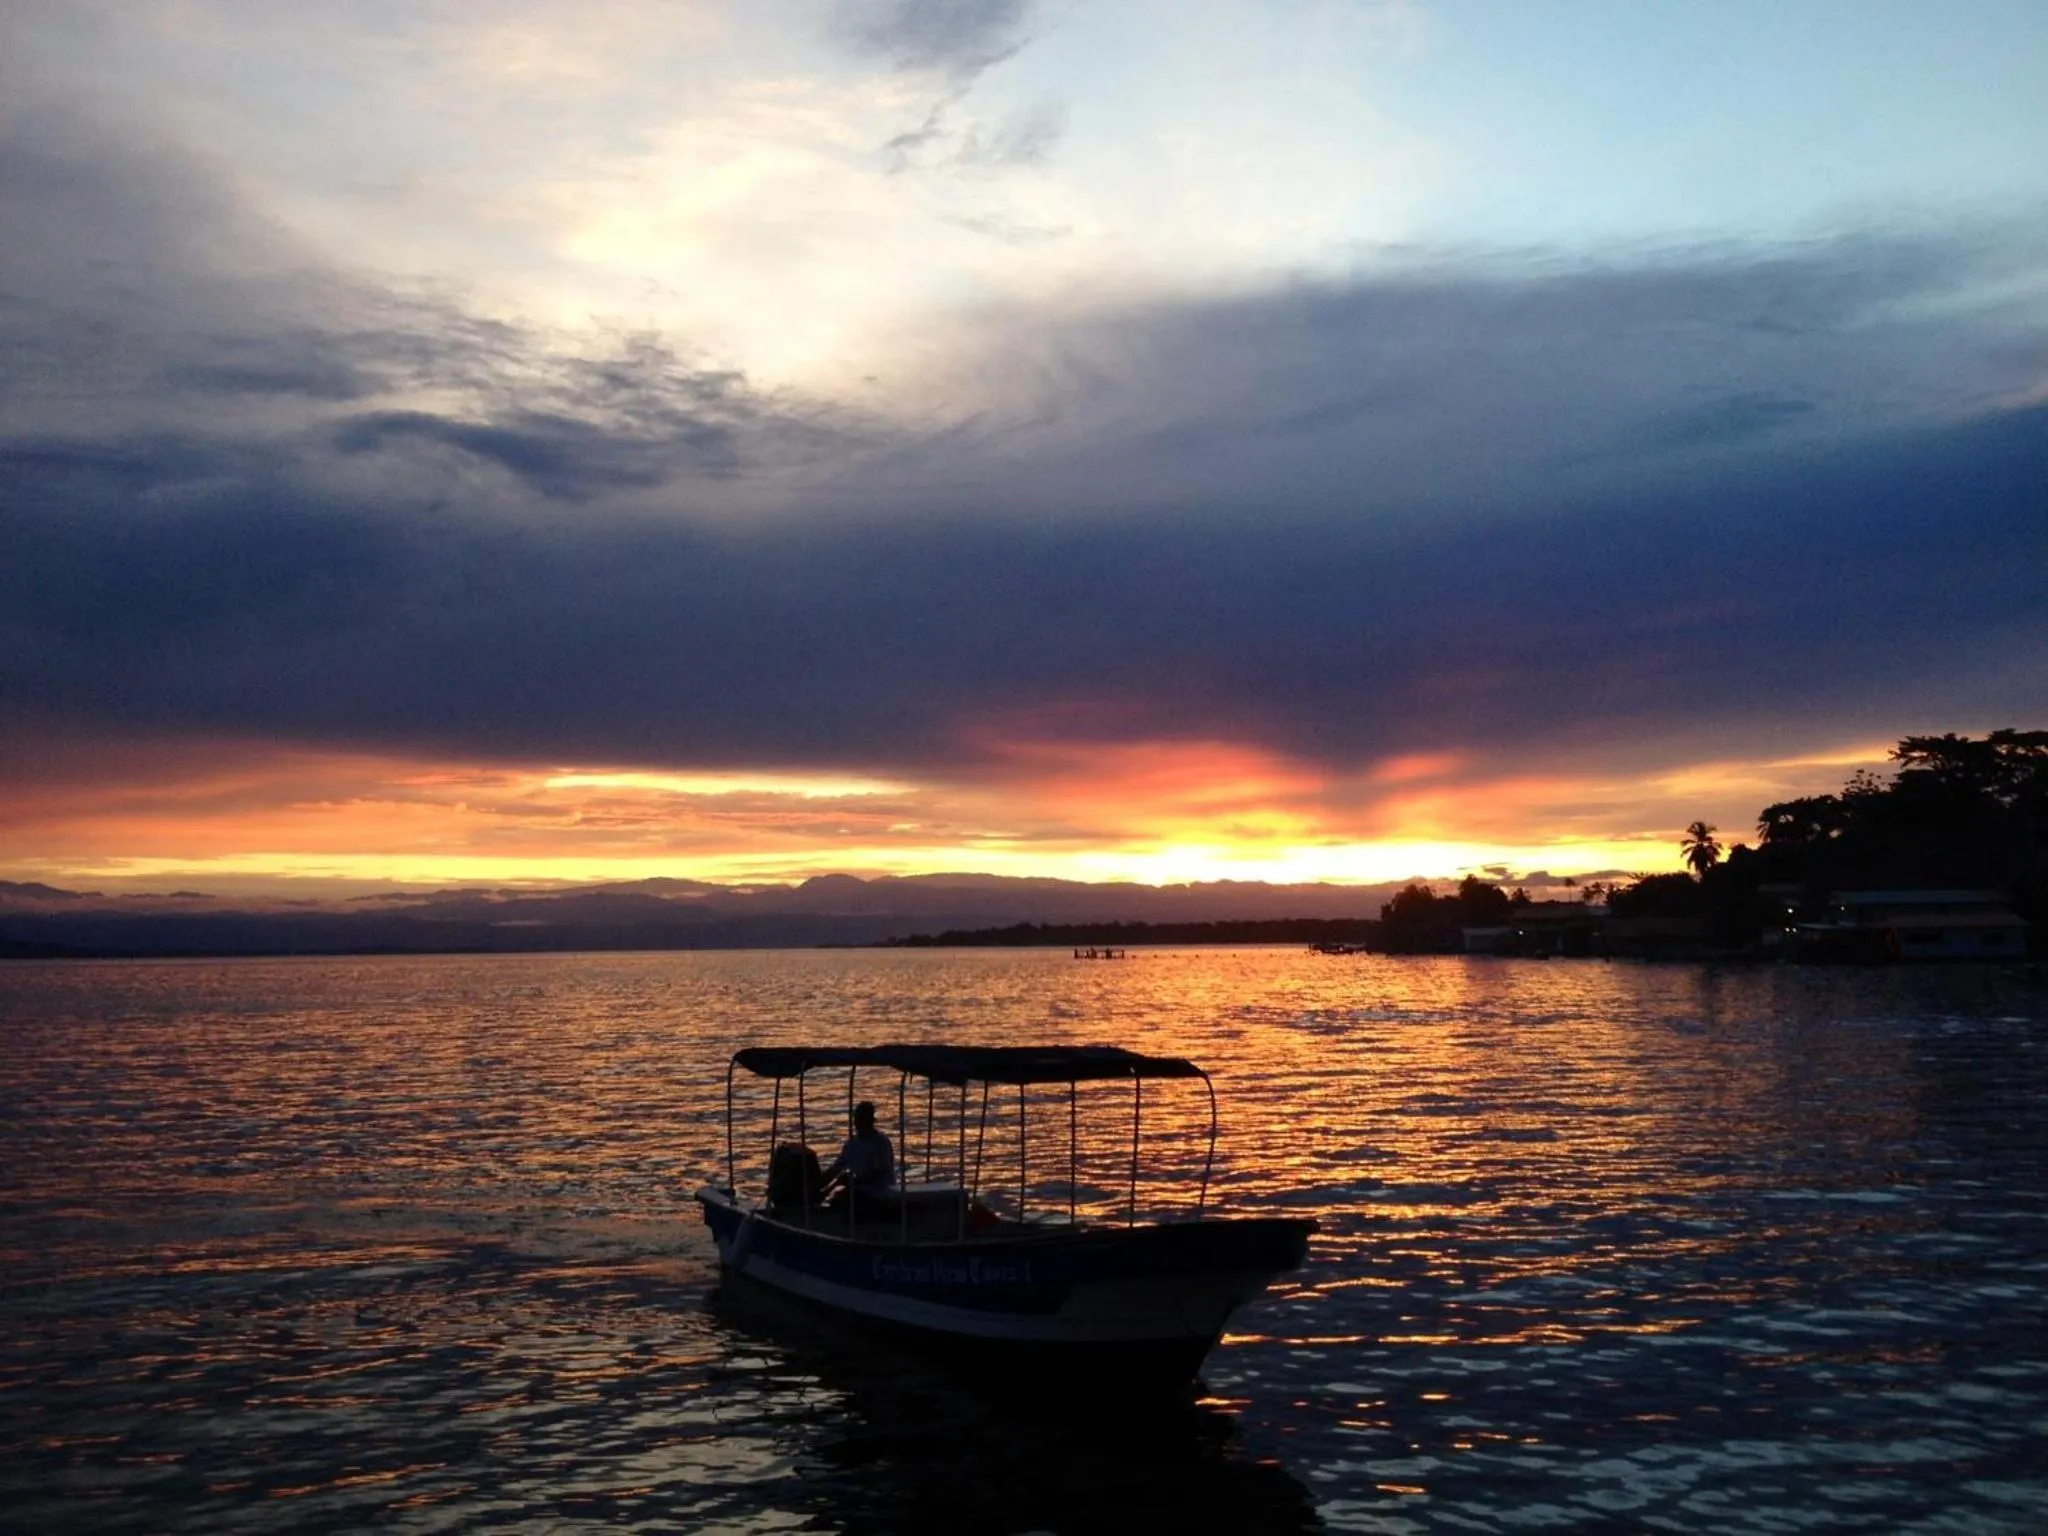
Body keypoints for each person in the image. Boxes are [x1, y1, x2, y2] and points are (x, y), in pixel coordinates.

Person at [822, 1100, 894, 1202]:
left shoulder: (880, 1142)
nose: (857, 1122)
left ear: (870, 1120)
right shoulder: (852, 1143)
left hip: (880, 1191)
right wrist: (820, 1182)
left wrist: (854, 1182)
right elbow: (837, 1167)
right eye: (857, 1119)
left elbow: (880, 1173)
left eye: (862, 1119)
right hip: (861, 1189)